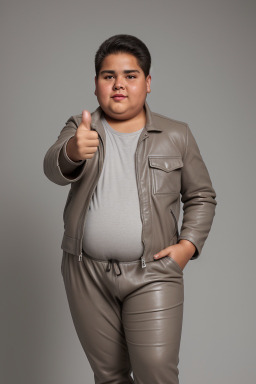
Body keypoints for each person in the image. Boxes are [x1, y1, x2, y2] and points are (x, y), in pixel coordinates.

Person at [43, 34, 217, 384]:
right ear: (96, 85)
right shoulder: (81, 128)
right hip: (85, 273)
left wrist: (187, 246)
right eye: (108, 76)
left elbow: (201, 195)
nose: (119, 84)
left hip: (154, 273)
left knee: (155, 372)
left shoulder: (176, 134)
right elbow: (52, 168)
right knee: (109, 376)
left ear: (148, 83)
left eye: (130, 75)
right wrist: (74, 152)